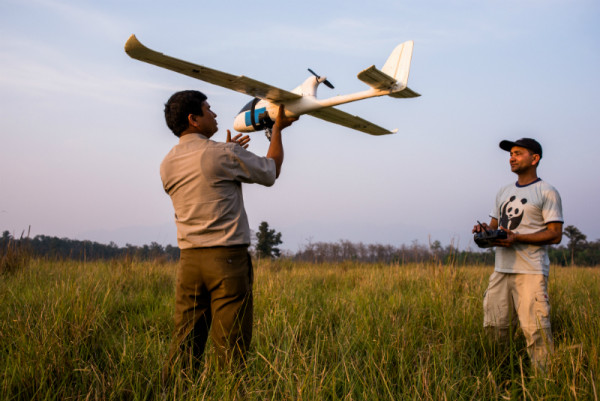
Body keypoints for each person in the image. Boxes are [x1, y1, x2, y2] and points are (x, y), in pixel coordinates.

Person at [160, 90, 297, 378]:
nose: (215, 115)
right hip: (227, 262)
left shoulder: (167, 164)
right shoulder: (223, 153)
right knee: (231, 348)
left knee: (185, 343)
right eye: (208, 110)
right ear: (193, 119)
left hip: (189, 263)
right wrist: (276, 132)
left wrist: (226, 152)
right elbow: (271, 171)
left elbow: (205, 180)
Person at [472, 138, 563, 372]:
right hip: (501, 270)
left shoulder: (547, 191)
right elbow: (495, 227)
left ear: (535, 159)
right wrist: (484, 231)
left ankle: (545, 385)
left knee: (536, 331)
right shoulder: (504, 191)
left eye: (518, 153)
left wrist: (518, 237)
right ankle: (499, 377)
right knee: (494, 327)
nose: (512, 157)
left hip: (530, 272)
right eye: (511, 153)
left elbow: (555, 234)